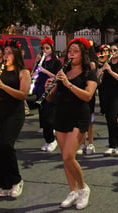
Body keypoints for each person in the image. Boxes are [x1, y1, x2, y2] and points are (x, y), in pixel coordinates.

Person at [45, 37, 97, 209]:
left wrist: (68, 84)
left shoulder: (89, 72)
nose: (72, 54)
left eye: (76, 51)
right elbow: (52, 98)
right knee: (65, 158)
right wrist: (49, 89)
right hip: (61, 114)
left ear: (83, 54)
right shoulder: (63, 70)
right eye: (70, 51)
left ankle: (83, 189)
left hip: (79, 115)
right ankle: (72, 191)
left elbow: (88, 96)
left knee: (68, 155)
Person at [0, 39, 31, 198]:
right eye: (4, 53)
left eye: (8, 53)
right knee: (0, 148)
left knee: (6, 145)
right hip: (0, 111)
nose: (5, 56)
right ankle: (5, 184)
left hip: (15, 112)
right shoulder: (0, 71)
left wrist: (3, 86)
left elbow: (22, 95)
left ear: (16, 55)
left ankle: (16, 180)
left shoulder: (23, 72)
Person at [98, 44, 118, 156]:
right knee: (109, 119)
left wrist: (110, 71)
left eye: (115, 50)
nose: (112, 52)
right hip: (106, 94)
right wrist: (101, 71)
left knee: (114, 118)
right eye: (111, 50)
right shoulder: (107, 64)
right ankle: (112, 145)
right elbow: (99, 81)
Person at [33, 36, 62, 152]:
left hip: (51, 90)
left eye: (47, 48)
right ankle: (47, 139)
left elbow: (58, 77)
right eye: (43, 48)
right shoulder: (42, 62)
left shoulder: (56, 62)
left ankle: (52, 140)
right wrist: (36, 65)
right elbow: (34, 75)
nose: (45, 50)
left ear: (52, 49)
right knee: (43, 117)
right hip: (40, 89)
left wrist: (44, 71)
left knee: (49, 116)